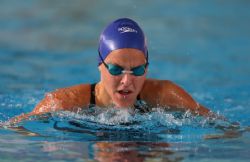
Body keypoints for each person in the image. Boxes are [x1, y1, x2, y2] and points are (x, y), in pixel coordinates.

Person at [10, 18, 211, 124]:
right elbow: (16, 131)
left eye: (137, 70)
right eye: (116, 69)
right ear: (100, 65)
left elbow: (224, 129)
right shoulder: (63, 102)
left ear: (147, 68)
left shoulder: (165, 95)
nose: (127, 81)